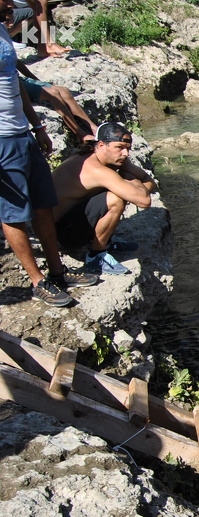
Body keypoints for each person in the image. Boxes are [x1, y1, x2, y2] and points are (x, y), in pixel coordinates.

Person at [1, 6, 96, 307]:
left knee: (44, 203)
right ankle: (37, 281)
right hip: (2, 141)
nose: (10, 8)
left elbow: (14, 84)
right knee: (14, 213)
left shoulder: (2, 30)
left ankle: (57, 272)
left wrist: (38, 126)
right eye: (6, 3)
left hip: (22, 134)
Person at [51, 122, 156, 275]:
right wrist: (130, 180)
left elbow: (149, 181)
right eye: (119, 147)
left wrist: (133, 186)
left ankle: (106, 240)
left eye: (128, 148)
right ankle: (96, 256)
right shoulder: (96, 169)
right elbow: (144, 201)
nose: (125, 154)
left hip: (70, 221)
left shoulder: (101, 158)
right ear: (101, 145)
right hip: (60, 236)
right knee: (116, 198)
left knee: (120, 192)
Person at [18, 60, 97, 142]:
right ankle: (80, 133)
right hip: (13, 81)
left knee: (64, 91)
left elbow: (16, 62)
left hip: (19, 79)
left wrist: (37, 81)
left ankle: (93, 128)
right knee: (54, 93)